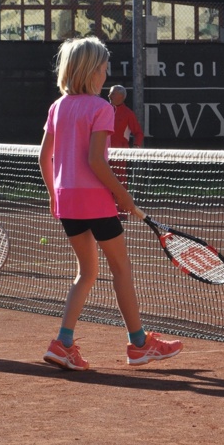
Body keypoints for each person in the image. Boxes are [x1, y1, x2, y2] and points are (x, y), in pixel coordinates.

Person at [39, 37, 183, 370]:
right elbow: (96, 161)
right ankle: (138, 344)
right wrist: (123, 196)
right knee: (121, 269)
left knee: (86, 273)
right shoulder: (102, 108)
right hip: (95, 201)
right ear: (92, 72)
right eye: (104, 68)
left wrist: (52, 194)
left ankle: (62, 343)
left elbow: (43, 157)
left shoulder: (57, 107)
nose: (106, 74)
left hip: (68, 201)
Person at [107, 84, 144, 220]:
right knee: (102, 181)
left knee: (120, 181)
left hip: (120, 153)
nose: (109, 96)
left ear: (121, 97)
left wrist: (136, 147)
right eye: (110, 93)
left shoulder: (128, 113)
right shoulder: (103, 110)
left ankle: (121, 212)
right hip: (102, 152)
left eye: (112, 94)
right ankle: (106, 211)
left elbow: (138, 133)